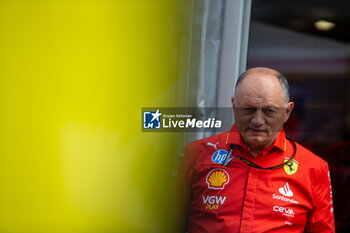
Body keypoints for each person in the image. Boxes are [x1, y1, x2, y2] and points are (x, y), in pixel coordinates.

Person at [176, 67, 335, 232]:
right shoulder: (197, 155)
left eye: (269, 111)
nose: (258, 121)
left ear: (287, 112)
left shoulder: (313, 168)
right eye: (248, 109)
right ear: (234, 106)